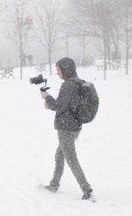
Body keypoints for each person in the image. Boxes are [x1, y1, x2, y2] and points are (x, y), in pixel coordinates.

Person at [40, 57, 94, 201]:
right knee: (59, 155)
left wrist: (47, 97)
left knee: (71, 159)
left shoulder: (68, 85)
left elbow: (59, 106)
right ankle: (54, 185)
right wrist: (51, 103)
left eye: (58, 70)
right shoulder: (78, 82)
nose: (57, 73)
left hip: (66, 128)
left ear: (65, 69)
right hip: (74, 126)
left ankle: (87, 190)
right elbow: (68, 106)